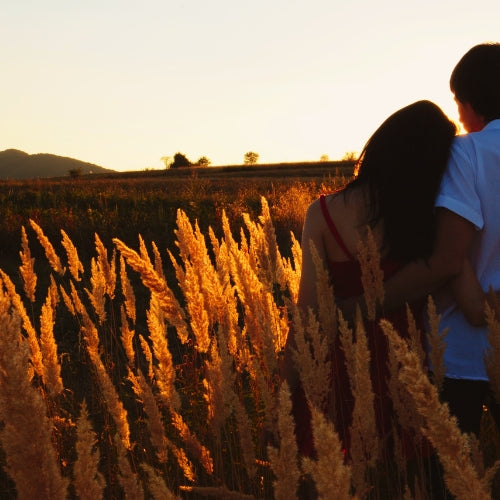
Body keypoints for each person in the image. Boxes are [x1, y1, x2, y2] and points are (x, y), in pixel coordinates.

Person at [284, 100, 458, 498]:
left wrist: (286, 391)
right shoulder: (431, 216)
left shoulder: (323, 213)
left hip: (338, 367)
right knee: (411, 482)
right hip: (410, 364)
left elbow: (308, 316)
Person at [353, 42, 500, 439]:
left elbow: (447, 259)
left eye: (457, 102)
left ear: (469, 102)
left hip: (463, 356)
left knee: (456, 469)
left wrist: (365, 304)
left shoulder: (466, 152)